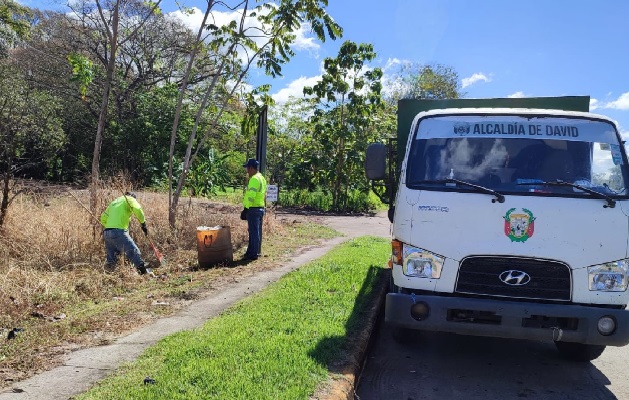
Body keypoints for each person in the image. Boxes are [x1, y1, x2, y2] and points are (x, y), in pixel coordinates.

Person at [100, 192, 151, 275]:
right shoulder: (129, 199)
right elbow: (137, 209)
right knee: (134, 251)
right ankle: (144, 273)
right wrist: (143, 223)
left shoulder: (114, 202)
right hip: (118, 232)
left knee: (112, 259)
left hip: (107, 233)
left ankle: (110, 277)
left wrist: (111, 227)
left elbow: (103, 218)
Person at [241, 158, 267, 261]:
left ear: (251, 168)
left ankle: (253, 254)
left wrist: (246, 209)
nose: (247, 171)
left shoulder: (254, 179)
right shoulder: (262, 178)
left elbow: (251, 196)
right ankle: (251, 252)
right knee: (254, 232)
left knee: (253, 232)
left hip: (253, 209)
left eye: (247, 168)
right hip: (260, 208)